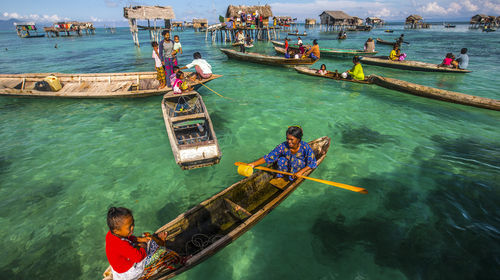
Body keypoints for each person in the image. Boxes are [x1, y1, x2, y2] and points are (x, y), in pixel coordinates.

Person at [105, 207, 181, 280]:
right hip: (129, 273)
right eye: (130, 227)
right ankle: (170, 255)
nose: (133, 227)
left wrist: (139, 239)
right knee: (162, 252)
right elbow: (138, 257)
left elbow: (128, 237)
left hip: (121, 267)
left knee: (146, 237)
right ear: (116, 231)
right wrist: (143, 246)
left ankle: (158, 244)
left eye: (133, 223)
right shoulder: (121, 245)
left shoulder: (111, 234)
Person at [247, 126, 317, 189]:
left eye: (291, 139)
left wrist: (300, 172)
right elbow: (269, 157)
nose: (289, 142)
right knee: (281, 160)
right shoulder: (283, 146)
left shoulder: (305, 147)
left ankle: (292, 178)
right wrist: (253, 164)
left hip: (299, 168)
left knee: (296, 162)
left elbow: (313, 163)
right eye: (287, 139)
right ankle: (280, 176)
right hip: (288, 167)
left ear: (298, 139)